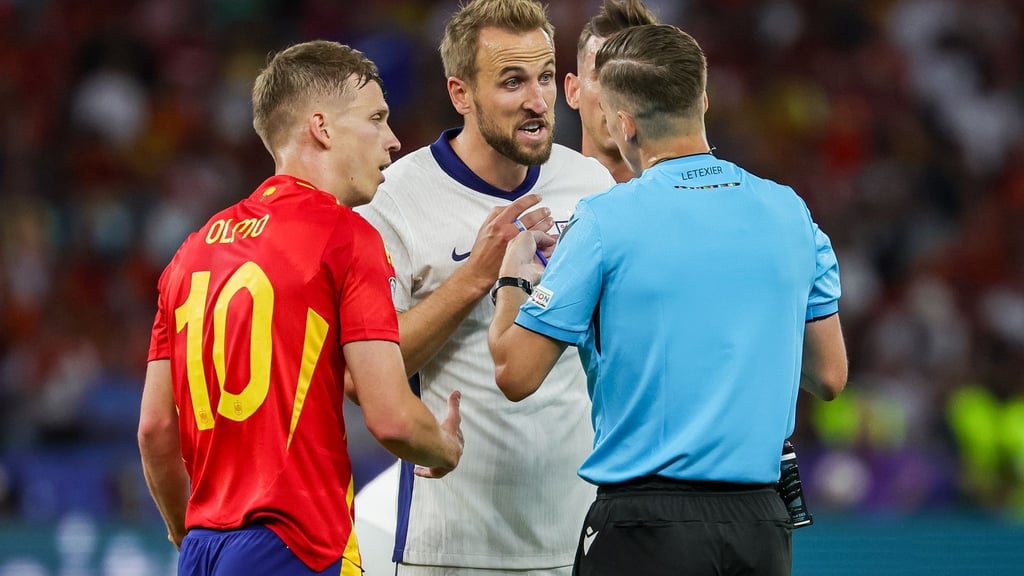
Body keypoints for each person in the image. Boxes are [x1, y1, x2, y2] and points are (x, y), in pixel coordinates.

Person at [488, 24, 848, 575]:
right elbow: (829, 376)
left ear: (623, 124)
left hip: (645, 527)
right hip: (760, 525)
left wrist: (513, 280)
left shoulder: (605, 222)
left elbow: (515, 372)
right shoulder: (791, 212)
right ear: (702, 100)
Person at [137, 40, 464, 576]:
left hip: (204, 550)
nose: (393, 140)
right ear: (322, 128)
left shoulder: (190, 253)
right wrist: (443, 446)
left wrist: (184, 530)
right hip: (296, 544)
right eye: (377, 118)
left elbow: (154, 428)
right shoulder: (345, 236)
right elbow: (390, 418)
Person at [355, 0, 616, 574]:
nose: (537, 100)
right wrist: (476, 275)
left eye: (545, 76)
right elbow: (366, 376)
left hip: (581, 539)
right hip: (448, 545)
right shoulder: (395, 199)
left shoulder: (591, 184)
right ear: (461, 94)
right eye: (512, 81)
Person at [564, 0, 658, 183]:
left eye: (632, 77)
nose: (617, 95)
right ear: (573, 91)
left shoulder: (685, 200)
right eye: (603, 77)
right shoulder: (541, 202)